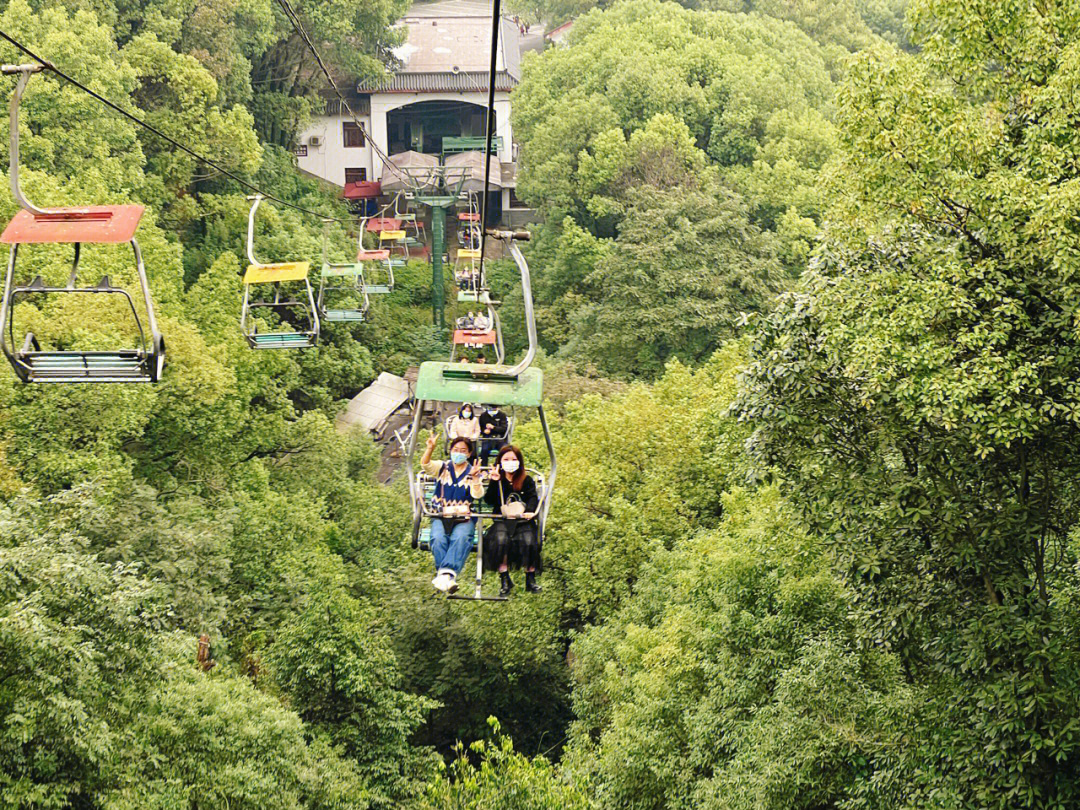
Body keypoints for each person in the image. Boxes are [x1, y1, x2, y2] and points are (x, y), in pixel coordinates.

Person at [422, 431, 485, 592]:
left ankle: (443, 575)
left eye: (463, 450)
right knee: (438, 539)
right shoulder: (443, 467)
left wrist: (476, 479)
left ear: (469, 453)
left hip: (464, 517)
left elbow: (477, 495)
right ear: (451, 451)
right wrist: (429, 449)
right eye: (456, 449)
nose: (459, 453)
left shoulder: (472, 471)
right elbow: (426, 465)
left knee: (461, 537)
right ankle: (448, 577)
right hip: (441, 514)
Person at [483, 445, 541, 595]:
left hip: (522, 521)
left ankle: (530, 578)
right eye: (506, 459)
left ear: (519, 462)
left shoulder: (526, 480)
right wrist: (494, 481)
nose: (510, 462)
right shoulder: (499, 480)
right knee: (500, 540)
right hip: (503, 520)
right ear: (500, 462)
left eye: (514, 459)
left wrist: (529, 511)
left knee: (529, 540)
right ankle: (504, 578)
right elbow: (489, 500)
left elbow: (532, 497)